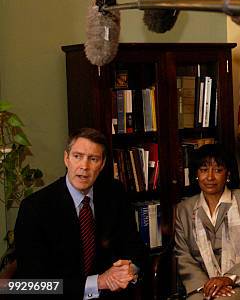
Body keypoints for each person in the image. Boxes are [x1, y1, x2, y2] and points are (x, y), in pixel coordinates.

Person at [14, 128, 147, 299]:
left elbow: (136, 250)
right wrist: (98, 282)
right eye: (77, 156)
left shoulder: (114, 193)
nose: (84, 166)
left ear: (102, 164)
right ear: (66, 158)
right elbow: (33, 284)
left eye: (93, 159)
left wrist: (128, 270)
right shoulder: (35, 208)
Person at [174, 144, 240, 299]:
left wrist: (228, 278)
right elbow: (184, 256)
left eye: (218, 170)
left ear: (228, 174)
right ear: (196, 174)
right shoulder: (184, 209)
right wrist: (207, 285)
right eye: (203, 170)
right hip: (203, 285)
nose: (209, 177)